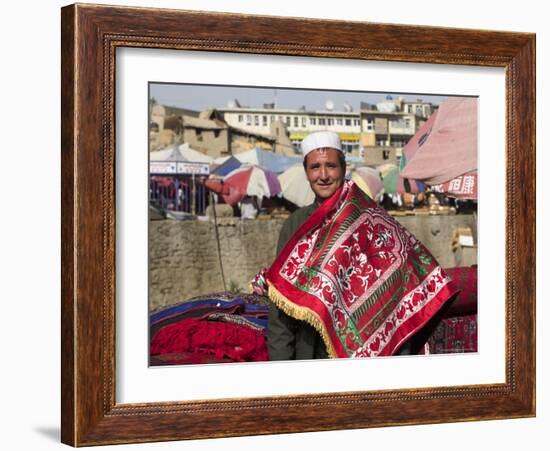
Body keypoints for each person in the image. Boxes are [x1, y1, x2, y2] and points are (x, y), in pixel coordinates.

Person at [251, 131, 457, 360]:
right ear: (306, 173)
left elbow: (401, 288)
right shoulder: (296, 226)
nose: (323, 175)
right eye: (315, 167)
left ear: (343, 168)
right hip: (310, 354)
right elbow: (282, 306)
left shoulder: (371, 220)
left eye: (330, 166)